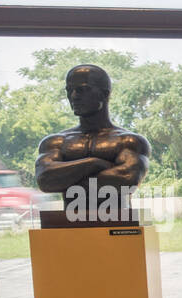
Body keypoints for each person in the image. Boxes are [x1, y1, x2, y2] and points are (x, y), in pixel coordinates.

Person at [35, 64, 151, 222]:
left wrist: (67, 180)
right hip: (69, 229)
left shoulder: (129, 140)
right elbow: (45, 179)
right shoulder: (56, 141)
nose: (74, 96)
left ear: (104, 94)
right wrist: (93, 163)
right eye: (70, 90)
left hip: (119, 225)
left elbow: (127, 178)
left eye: (82, 90)